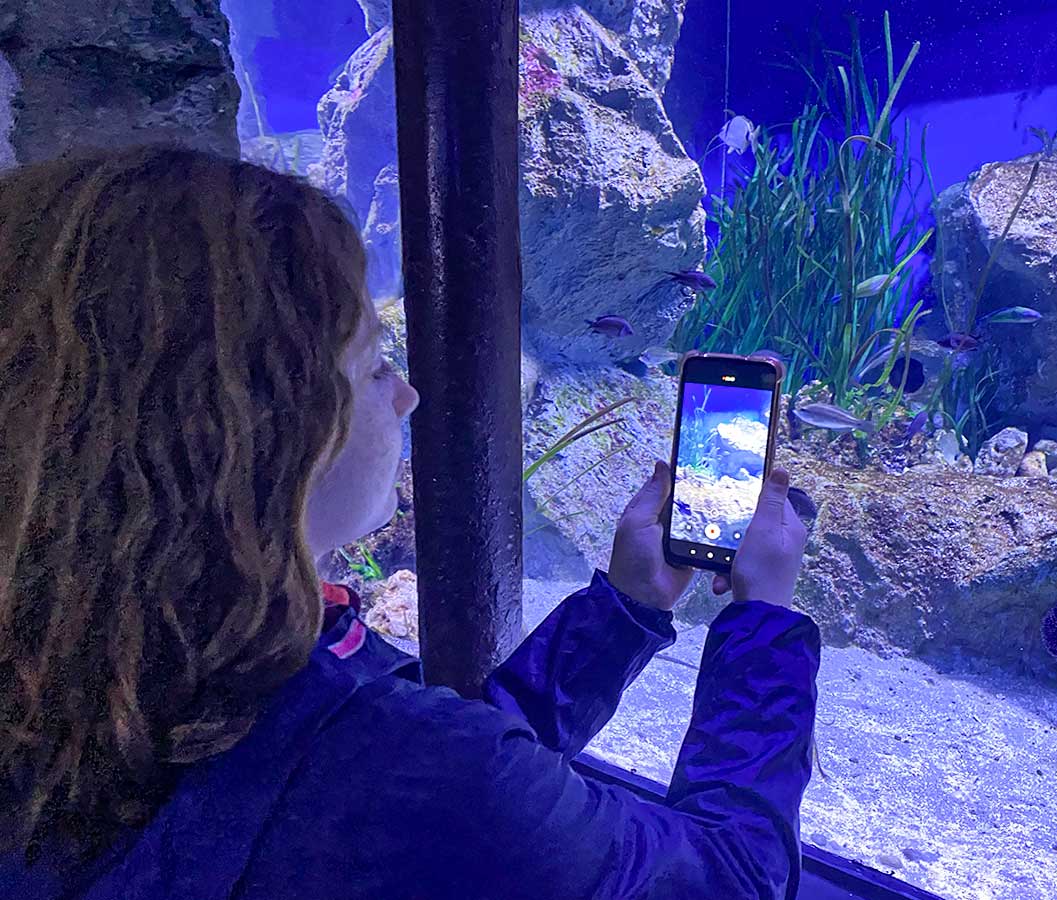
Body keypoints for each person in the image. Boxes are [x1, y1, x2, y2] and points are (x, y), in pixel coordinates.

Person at [0, 146, 819, 900]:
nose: (407, 395)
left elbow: (430, 779)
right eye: (375, 363)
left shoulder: (100, 657)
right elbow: (728, 876)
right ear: (257, 425)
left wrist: (627, 611)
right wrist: (760, 619)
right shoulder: (386, 771)